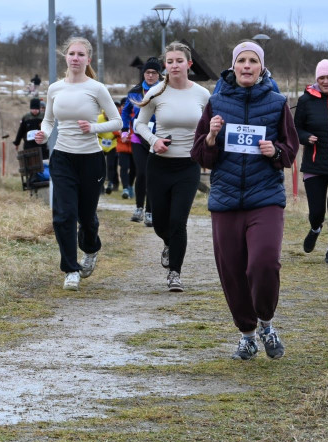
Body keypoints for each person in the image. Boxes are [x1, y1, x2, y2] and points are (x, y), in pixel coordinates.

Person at [190, 41, 299, 360]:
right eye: (242, 61)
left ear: (262, 67)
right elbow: (201, 156)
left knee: (264, 263)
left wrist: (275, 151)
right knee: (233, 271)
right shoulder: (216, 101)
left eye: (253, 61)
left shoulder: (278, 103)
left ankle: (266, 322)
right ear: (233, 66)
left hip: (265, 197)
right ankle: (247, 335)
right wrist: (210, 136)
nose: (247, 66)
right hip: (225, 200)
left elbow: (290, 151)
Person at [34, 36, 122, 291]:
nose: (75, 58)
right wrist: (44, 134)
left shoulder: (96, 88)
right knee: (63, 215)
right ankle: (70, 269)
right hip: (62, 157)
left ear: (88, 59)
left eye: (80, 55)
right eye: (72, 54)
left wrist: (93, 127)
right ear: (66, 57)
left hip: (91, 160)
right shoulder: (55, 88)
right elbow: (49, 120)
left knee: (86, 217)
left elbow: (118, 122)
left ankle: (91, 248)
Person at [133, 41, 210, 292]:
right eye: (170, 61)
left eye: (179, 61)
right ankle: (168, 243)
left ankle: (175, 273)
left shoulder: (202, 94)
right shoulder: (155, 92)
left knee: (178, 221)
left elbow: (208, 128)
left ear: (189, 64)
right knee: (160, 222)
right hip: (159, 165)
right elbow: (139, 125)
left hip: (188, 166)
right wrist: (154, 141)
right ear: (165, 65)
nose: (174, 65)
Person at [294, 59, 328, 265]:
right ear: (317, 79)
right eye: (322, 78)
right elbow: (295, 129)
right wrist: (305, 137)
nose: (326, 81)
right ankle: (315, 228)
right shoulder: (306, 100)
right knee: (317, 211)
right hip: (315, 164)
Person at [121, 57, 162, 224]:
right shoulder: (135, 91)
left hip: (156, 138)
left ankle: (150, 212)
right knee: (142, 173)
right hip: (138, 137)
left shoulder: (164, 90)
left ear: (159, 75)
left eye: (154, 73)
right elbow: (125, 112)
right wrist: (124, 128)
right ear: (143, 74)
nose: (150, 76)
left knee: (152, 175)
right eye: (147, 72)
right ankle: (138, 207)